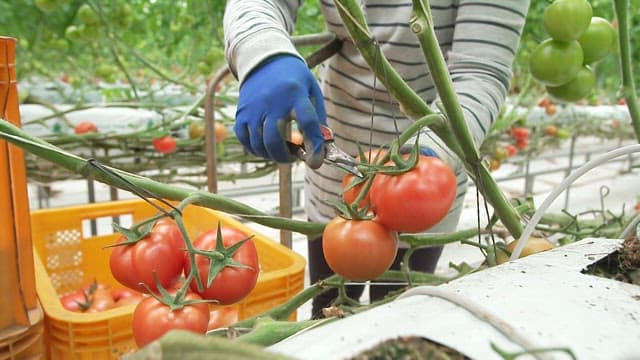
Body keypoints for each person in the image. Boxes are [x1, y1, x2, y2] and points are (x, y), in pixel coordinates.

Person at [223, 0, 529, 318]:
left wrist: (427, 159)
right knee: (328, 312)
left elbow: (480, 72)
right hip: (338, 176)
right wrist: (263, 54)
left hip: (427, 187)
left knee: (394, 320)